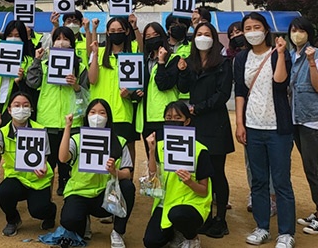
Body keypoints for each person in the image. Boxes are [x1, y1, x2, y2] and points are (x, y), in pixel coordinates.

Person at [234, 12, 295, 248]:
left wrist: (280, 53)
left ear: (266, 29)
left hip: (278, 128)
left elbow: (280, 82)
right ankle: (262, 227)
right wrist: (239, 123)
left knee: (281, 181)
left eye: (256, 26)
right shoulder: (241, 59)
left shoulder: (280, 53)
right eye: (247, 28)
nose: (252, 32)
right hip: (253, 127)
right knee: (258, 181)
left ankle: (286, 232)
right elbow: (240, 91)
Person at [177, 22, 234, 239]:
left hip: (215, 123)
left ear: (214, 38)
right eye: (199, 34)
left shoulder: (223, 63)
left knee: (217, 172)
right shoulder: (190, 63)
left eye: (207, 34)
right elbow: (183, 89)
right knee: (201, 172)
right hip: (195, 126)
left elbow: (223, 94)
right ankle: (206, 214)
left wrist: (197, 108)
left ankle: (220, 219)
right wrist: (182, 72)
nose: (203, 37)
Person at [58, 99, 135, 248]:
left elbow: (128, 173)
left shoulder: (119, 141)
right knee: (70, 221)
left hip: (106, 196)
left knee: (128, 187)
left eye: (102, 113)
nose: (97, 117)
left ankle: (118, 232)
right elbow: (62, 157)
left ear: (108, 117)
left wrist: (115, 171)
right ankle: (83, 220)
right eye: (92, 112)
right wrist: (68, 127)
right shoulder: (77, 139)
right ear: (86, 116)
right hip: (80, 192)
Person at [0, 20, 35, 219]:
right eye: (10, 34)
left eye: (18, 35)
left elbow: (30, 91)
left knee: (15, 154)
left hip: (14, 113)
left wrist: (21, 80)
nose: (13, 38)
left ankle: (19, 193)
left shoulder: (27, 61)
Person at [26, 26, 90, 197]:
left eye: (66, 38)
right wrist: (37, 61)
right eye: (58, 38)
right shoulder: (45, 65)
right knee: (47, 165)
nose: (62, 42)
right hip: (47, 121)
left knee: (69, 166)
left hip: (72, 122)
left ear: (72, 43)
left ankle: (70, 200)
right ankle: (46, 205)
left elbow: (87, 95)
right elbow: (32, 83)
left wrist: (76, 85)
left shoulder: (81, 67)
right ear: (52, 43)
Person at [143, 101, 214, 248]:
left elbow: (204, 190)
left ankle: (191, 237)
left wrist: (190, 182)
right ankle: (174, 232)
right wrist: (151, 151)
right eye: (168, 118)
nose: (172, 121)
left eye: (177, 118)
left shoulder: (200, 150)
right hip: (166, 203)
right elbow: (153, 179)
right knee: (151, 242)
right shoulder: (160, 146)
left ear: (187, 121)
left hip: (190, 204)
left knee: (178, 214)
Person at [0, 92, 57, 236]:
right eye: (16, 105)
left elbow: (45, 158)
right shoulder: (3, 132)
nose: (21, 109)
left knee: (39, 211)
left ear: (31, 109)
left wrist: (42, 166)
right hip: (16, 178)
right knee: (3, 193)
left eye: (25, 105)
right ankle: (13, 220)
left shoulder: (40, 129)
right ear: (9, 110)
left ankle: (50, 213)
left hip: (37, 180)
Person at [288, 17, 318, 235]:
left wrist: (312, 62)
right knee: (308, 166)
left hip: (311, 119)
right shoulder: (291, 55)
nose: (296, 34)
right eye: (293, 30)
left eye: (300, 30)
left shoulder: (317, 55)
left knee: (312, 166)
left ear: (308, 32)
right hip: (296, 118)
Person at [88, 17, 142, 167]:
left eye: (119, 30)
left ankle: (127, 179)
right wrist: (95, 55)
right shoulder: (99, 52)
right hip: (100, 112)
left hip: (123, 112)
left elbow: (142, 46)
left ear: (126, 32)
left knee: (127, 147)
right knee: (102, 148)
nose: (116, 33)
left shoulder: (132, 52)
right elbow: (92, 80)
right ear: (107, 32)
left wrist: (135, 26)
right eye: (112, 31)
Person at [137, 22, 179, 153]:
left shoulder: (173, 60)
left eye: (155, 35)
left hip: (165, 117)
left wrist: (161, 62)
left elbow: (163, 84)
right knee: (151, 156)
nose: (152, 39)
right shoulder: (142, 61)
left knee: (167, 157)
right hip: (146, 118)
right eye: (148, 37)